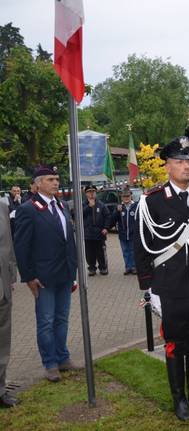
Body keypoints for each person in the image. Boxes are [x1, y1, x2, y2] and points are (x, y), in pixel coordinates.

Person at [134, 136, 189, 421]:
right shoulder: (152, 202)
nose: (186, 167)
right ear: (167, 166)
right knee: (175, 343)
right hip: (170, 287)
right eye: (180, 162)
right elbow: (141, 245)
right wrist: (148, 287)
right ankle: (179, 399)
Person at [13, 165, 79, 382]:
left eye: (57, 179)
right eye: (50, 179)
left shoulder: (61, 205)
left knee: (62, 319)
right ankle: (50, 363)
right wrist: (29, 277)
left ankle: (63, 358)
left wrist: (74, 270)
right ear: (38, 183)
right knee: (46, 321)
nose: (56, 183)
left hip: (65, 274)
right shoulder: (28, 209)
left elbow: (67, 241)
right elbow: (22, 247)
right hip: (44, 278)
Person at [0, 199, 19, 407]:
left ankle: (0, 390)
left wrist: (11, 276)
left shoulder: (2, 206)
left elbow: (9, 246)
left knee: (2, 342)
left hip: (3, 287)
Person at [82, 185, 111, 276]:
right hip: (87, 234)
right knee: (89, 253)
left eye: (93, 191)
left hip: (99, 233)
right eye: (89, 192)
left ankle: (103, 267)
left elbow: (108, 217)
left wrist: (106, 228)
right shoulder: (82, 204)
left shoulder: (101, 205)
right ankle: (92, 268)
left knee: (101, 252)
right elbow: (77, 215)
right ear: (86, 194)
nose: (91, 194)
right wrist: (89, 207)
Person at [110, 187, 138, 275]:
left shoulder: (136, 206)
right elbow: (112, 220)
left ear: (131, 196)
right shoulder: (119, 207)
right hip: (123, 234)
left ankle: (134, 267)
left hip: (133, 234)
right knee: (125, 252)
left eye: (128, 196)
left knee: (133, 251)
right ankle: (127, 267)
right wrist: (117, 212)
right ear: (121, 197)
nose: (126, 198)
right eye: (124, 196)